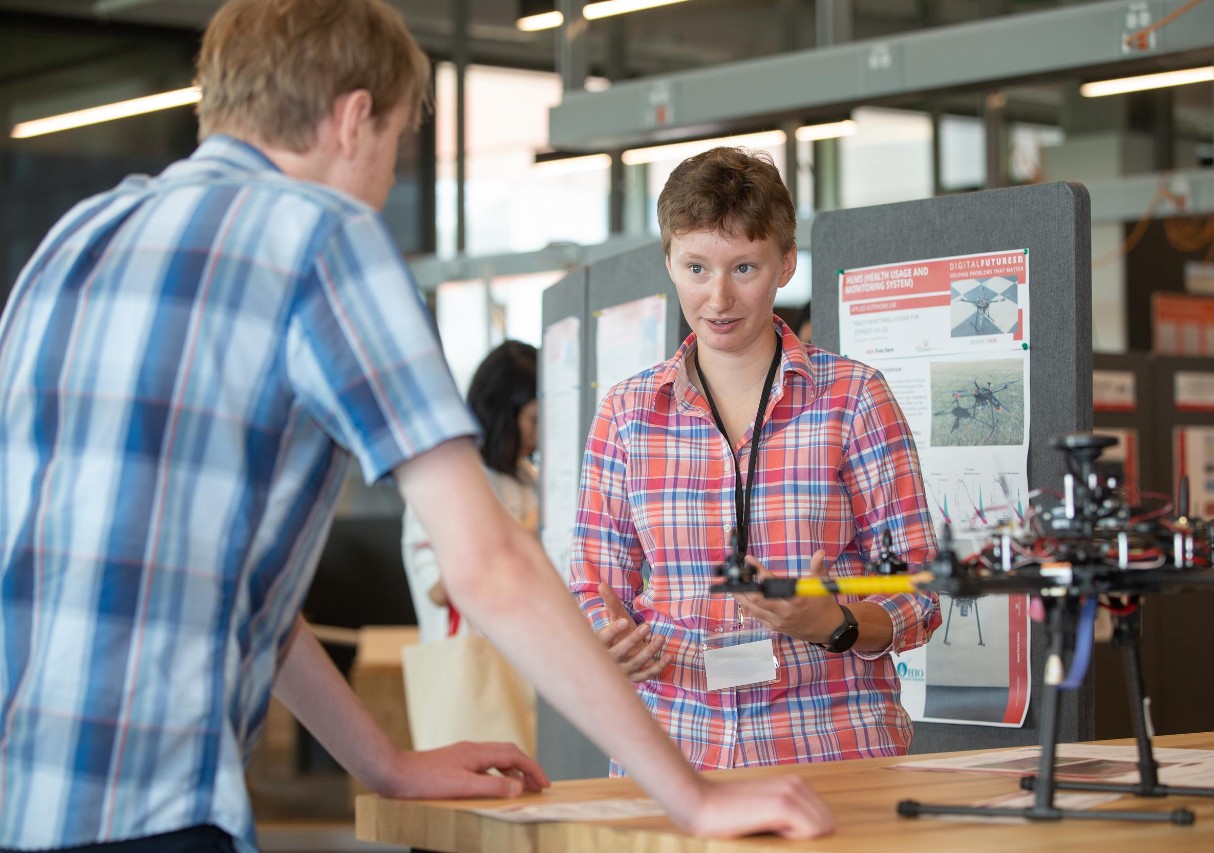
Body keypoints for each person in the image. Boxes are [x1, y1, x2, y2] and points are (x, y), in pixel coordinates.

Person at [0, 3, 833, 850]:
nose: (387, 181)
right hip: (154, 811)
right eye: (399, 143)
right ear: (354, 118)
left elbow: (238, 585)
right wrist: (694, 799)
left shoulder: (78, 240)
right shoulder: (320, 235)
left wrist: (386, 764)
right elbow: (487, 562)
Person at [570, 147, 940, 776]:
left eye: (744, 267)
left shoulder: (853, 399)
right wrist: (607, 643)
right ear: (669, 262)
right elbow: (591, 585)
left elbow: (920, 589)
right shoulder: (628, 413)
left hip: (829, 749)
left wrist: (837, 623)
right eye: (696, 267)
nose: (718, 297)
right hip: (673, 752)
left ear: (785, 264)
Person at [402, 340, 540, 643]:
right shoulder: (445, 480)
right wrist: (531, 530)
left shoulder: (528, 477)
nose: (539, 434)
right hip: (472, 659)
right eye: (534, 420)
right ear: (502, 413)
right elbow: (438, 590)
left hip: (526, 651)